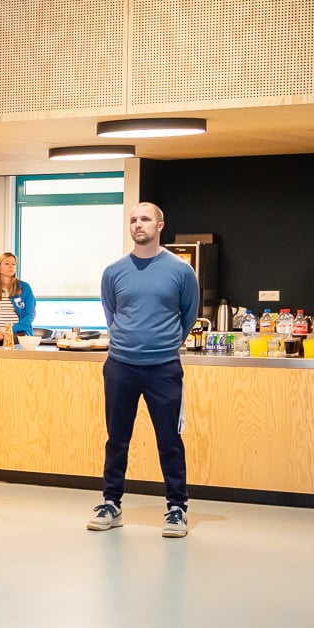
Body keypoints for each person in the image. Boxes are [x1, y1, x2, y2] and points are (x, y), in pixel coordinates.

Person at [89, 202, 199, 539]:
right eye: (134, 219)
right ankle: (111, 503)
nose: (138, 224)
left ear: (159, 225)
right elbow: (111, 314)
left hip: (163, 368)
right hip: (120, 366)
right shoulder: (114, 271)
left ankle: (177, 507)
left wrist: (163, 345)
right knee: (117, 439)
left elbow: (189, 315)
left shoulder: (181, 271)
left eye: (145, 219)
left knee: (169, 440)